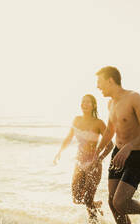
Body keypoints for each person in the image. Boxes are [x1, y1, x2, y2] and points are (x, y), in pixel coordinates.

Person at [93, 66, 140, 224]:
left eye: (99, 82)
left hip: (137, 156)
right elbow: (110, 130)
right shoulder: (110, 104)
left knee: (120, 202)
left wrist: (128, 147)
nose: (98, 86)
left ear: (110, 80)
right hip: (118, 154)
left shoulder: (134, 98)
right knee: (112, 202)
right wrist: (97, 153)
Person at [54, 94, 113, 223]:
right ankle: (94, 205)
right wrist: (59, 152)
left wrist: (99, 159)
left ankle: (94, 220)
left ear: (94, 105)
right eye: (83, 102)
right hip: (79, 163)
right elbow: (69, 138)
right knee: (76, 198)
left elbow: (110, 145)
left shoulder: (99, 123)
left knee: (87, 199)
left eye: (88, 102)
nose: (84, 104)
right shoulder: (76, 120)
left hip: (93, 165)